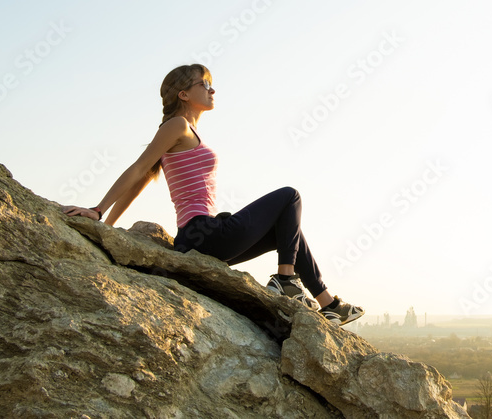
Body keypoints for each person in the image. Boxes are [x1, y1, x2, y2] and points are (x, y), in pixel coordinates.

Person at [62, 63, 363, 326]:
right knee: (290, 196)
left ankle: (329, 305)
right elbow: (139, 168)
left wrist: (108, 227)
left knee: (288, 233)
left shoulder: (186, 131)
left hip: (201, 238)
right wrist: (98, 211)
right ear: (184, 94)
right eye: (204, 84)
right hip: (203, 233)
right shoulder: (177, 125)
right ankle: (285, 280)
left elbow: (142, 179)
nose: (212, 90)